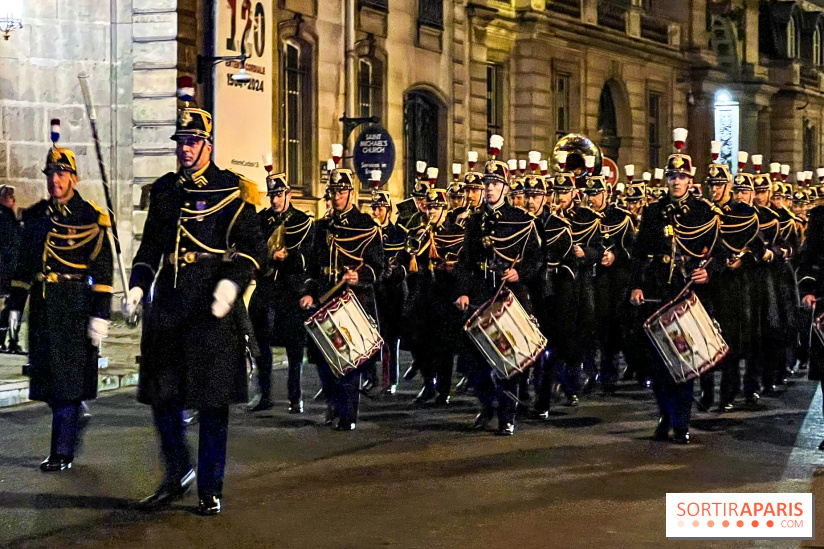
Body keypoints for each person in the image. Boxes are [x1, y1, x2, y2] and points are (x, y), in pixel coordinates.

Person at [125, 106, 265, 515]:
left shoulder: (232, 191)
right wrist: (137, 285)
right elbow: (151, 246)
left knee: (211, 402)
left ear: (207, 144)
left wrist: (231, 283)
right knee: (161, 396)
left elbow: (255, 250)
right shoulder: (166, 191)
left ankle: (210, 486)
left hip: (210, 311)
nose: (185, 150)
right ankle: (177, 470)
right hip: (168, 307)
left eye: (191, 142)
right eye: (181, 143)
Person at [7, 143, 113, 471]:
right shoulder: (38, 216)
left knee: (66, 379)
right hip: (43, 306)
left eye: (62, 174)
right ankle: (75, 412)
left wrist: (101, 314)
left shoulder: (90, 217)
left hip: (74, 305)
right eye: (52, 173)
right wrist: (13, 309)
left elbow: (104, 270)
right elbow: (24, 267)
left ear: (74, 179)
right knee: (49, 380)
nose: (56, 180)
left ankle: (61, 452)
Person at [629, 136, 721, 444]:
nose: (676, 181)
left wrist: (708, 272)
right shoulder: (654, 212)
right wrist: (637, 285)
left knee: (684, 359)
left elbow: (719, 252)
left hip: (687, 291)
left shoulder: (703, 212)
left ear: (690, 179)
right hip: (658, 290)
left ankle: (681, 421)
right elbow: (639, 252)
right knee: (658, 362)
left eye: (681, 176)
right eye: (672, 176)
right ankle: (665, 414)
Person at [455, 155, 542, 435]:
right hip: (481, 292)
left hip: (509, 294)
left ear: (506, 188)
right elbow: (465, 261)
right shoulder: (475, 220)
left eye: (495, 183)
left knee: (508, 359)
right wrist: (463, 292)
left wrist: (521, 274)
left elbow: (537, 260)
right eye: (487, 183)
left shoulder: (522, 220)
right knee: (476, 361)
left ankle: (507, 415)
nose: (490, 188)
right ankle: (487, 405)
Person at [300, 168, 383, 431]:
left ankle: (348, 413)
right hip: (326, 298)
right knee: (324, 360)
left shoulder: (366, 225)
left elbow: (377, 266)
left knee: (349, 362)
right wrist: (308, 292)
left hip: (353, 301)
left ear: (351, 193)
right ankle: (334, 404)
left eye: (341, 191)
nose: (336, 197)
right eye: (333, 192)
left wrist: (360, 278)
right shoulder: (321, 226)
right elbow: (312, 267)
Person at [247, 171, 314, 413]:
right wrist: (268, 256)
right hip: (266, 289)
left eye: (279, 195)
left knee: (294, 347)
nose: (274, 200)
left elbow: (308, 256)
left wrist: (289, 257)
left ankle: (295, 397)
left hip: (290, 290)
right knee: (260, 344)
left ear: (289, 194)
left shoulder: (302, 221)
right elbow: (252, 250)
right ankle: (264, 395)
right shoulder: (261, 220)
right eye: (272, 195)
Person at [401, 188, 465, 405]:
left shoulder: (455, 232)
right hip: (422, 296)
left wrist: (449, 269)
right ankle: (428, 382)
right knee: (420, 343)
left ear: (444, 209)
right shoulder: (417, 232)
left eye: (437, 207)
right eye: (430, 207)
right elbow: (405, 258)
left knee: (444, 347)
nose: (433, 211)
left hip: (445, 296)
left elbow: (462, 265)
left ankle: (443, 390)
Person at [555, 171, 605, 403]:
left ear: (574, 193)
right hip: (554, 283)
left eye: (564, 192)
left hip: (580, 283)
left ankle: (575, 381)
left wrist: (585, 254)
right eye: (557, 191)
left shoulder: (587, 217)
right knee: (556, 334)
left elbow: (598, 248)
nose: (560, 196)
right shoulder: (547, 218)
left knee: (580, 331)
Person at [585, 175, 636, 395]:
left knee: (612, 328)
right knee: (590, 327)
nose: (592, 199)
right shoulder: (583, 217)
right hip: (591, 278)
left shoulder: (621, 218)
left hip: (614, 281)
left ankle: (609, 375)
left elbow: (632, 250)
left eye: (595, 194)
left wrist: (615, 256)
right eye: (589, 194)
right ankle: (590, 373)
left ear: (606, 193)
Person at [370, 190, 407, 394]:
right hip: (374, 289)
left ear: (389, 210)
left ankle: (390, 378)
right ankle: (372, 377)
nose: (376, 212)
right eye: (374, 208)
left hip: (393, 291)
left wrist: (395, 273)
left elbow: (407, 263)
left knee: (391, 338)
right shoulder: (367, 231)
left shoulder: (399, 233)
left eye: (380, 208)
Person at [0, 184, 21, 352]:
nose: (12, 199)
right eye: (8, 196)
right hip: (6, 270)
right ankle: (7, 341)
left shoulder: (9, 217)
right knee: (11, 307)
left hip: (11, 269)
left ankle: (10, 341)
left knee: (12, 307)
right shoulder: (4, 217)